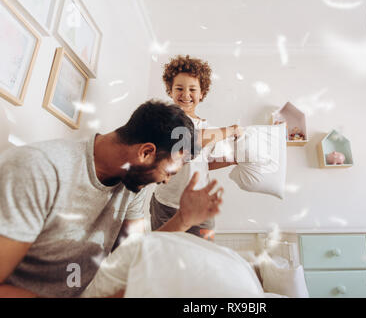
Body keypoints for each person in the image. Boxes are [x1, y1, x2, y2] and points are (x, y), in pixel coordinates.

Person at [0, 99, 224, 298]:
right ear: (146, 152)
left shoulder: (133, 183)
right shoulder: (37, 169)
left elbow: (133, 256)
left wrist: (184, 219)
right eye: (169, 173)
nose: (165, 181)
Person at [150, 55, 242, 240]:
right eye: (179, 88)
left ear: (202, 94)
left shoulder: (206, 127)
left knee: (203, 255)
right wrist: (230, 130)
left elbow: (201, 161)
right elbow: (189, 143)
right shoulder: (167, 119)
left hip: (200, 205)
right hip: (167, 204)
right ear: (170, 91)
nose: (185, 94)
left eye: (192, 89)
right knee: (165, 255)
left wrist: (232, 160)